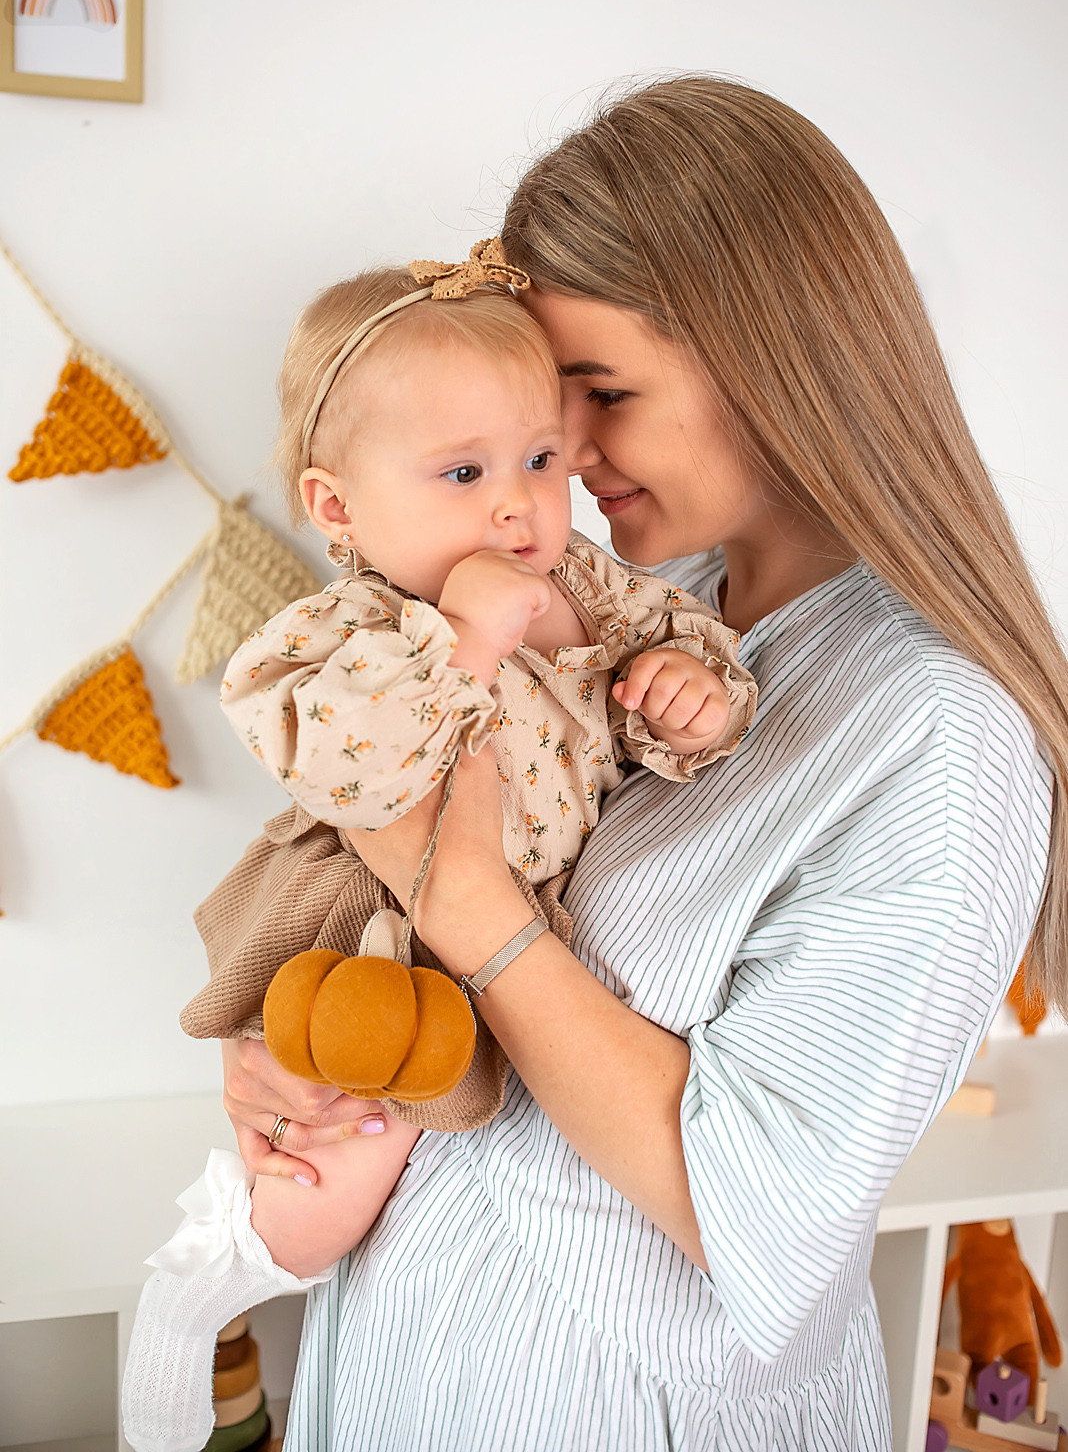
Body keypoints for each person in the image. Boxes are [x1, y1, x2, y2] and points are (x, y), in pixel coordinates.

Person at [220, 76, 1067, 1452]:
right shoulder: (627, 614)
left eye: (599, 398)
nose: (560, 472)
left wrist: (458, 896)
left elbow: (755, 1205)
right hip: (407, 1355)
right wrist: (314, 1061)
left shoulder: (936, 730)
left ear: (768, 355)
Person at [121, 241, 756, 1452]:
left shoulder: (588, 582)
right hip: (372, 928)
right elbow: (346, 763)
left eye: (539, 460)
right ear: (338, 506)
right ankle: (208, 1285)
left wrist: (690, 695)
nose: (516, 504)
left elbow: (686, 641)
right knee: (338, 1178)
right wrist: (463, 637)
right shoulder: (351, 622)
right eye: (462, 471)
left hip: (507, 929)